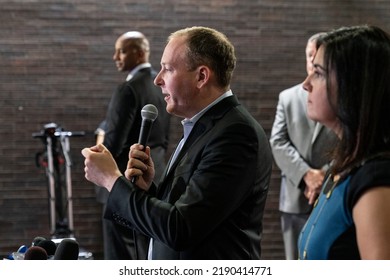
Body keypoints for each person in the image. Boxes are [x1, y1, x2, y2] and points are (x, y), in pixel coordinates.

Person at [82, 26, 273, 259]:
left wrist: (112, 179)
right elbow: (182, 213)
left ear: (201, 76)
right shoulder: (204, 125)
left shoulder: (235, 134)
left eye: (168, 69)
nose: (157, 79)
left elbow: (180, 229)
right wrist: (148, 191)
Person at [298, 25, 390, 259]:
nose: (306, 84)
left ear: (353, 84)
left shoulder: (375, 181)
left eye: (318, 73)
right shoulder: (344, 165)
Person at [95, 31, 170, 260]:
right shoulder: (162, 84)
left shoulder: (127, 89)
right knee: (149, 252)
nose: (115, 56)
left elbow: (112, 145)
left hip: (125, 181)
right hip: (157, 176)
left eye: (122, 50)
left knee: (121, 254)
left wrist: (99, 140)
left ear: (139, 53)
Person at [269, 33, 337, 259]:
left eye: (316, 56)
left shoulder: (343, 97)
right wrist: (307, 175)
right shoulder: (287, 97)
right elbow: (277, 142)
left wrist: (324, 175)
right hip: (295, 195)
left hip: (332, 190)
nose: (311, 61)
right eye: (309, 56)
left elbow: (351, 142)